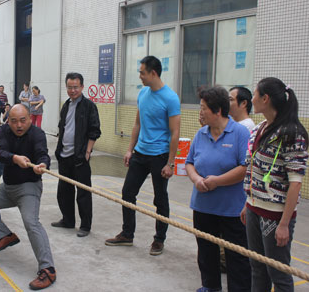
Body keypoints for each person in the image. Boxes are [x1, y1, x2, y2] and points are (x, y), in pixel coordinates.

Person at [0, 104, 56, 290]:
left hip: (28, 188)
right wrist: (15, 158)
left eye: (23, 120)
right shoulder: (5, 131)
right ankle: (4, 236)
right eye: (14, 120)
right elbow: (0, 153)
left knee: (31, 222)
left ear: (29, 118)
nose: (18, 125)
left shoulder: (37, 134)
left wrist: (42, 164)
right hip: (7, 188)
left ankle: (47, 268)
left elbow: (43, 154)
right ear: (7, 120)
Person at [105, 56, 180, 256]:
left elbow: (175, 133)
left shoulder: (171, 98)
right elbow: (137, 124)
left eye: (142, 72)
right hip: (140, 152)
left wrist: (170, 163)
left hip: (160, 155)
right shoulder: (143, 93)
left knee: (160, 199)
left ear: (153, 73)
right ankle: (127, 234)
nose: (140, 76)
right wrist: (130, 149)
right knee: (128, 192)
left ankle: (159, 239)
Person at [241, 78, 308, 291]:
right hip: (253, 207)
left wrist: (284, 223)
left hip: (275, 214)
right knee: (257, 267)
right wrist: (247, 202)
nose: (252, 99)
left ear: (265, 98)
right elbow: (253, 170)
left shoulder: (292, 134)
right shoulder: (259, 128)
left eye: (254, 94)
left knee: (278, 273)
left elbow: (295, 183)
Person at [185, 87, 251, 292]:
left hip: (232, 209)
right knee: (206, 252)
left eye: (204, 108)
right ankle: (210, 286)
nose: (201, 112)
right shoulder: (201, 133)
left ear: (218, 111)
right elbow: (189, 162)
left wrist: (217, 181)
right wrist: (196, 179)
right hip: (203, 206)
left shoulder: (240, 133)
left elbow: (245, 168)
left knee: (237, 257)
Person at [51, 73, 101, 237]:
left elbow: (94, 131)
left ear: (82, 87)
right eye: (69, 87)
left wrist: (87, 151)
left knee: (83, 193)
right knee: (64, 190)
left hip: (80, 157)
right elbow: (62, 128)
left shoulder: (89, 106)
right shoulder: (66, 105)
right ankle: (68, 220)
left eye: (75, 87)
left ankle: (85, 225)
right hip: (64, 155)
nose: (72, 90)